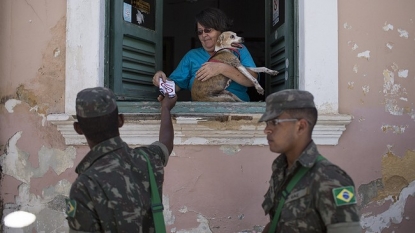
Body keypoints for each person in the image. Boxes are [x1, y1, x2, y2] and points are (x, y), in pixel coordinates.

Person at [65, 87, 177, 232]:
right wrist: (166, 108)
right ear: (120, 120)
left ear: (78, 129)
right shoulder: (146, 160)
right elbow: (165, 144)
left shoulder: (85, 186)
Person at [259, 89, 361, 233]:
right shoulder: (281, 170)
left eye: (275, 122)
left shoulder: (330, 178)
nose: (267, 130)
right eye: (267, 123)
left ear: (300, 126)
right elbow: (278, 222)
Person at [152, 7, 258, 102]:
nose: (204, 35)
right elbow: (175, 85)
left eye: (208, 30)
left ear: (221, 31)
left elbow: (252, 81)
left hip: (238, 110)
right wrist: (162, 81)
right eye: (200, 32)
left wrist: (221, 68)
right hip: (201, 113)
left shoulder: (238, 49)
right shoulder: (191, 56)